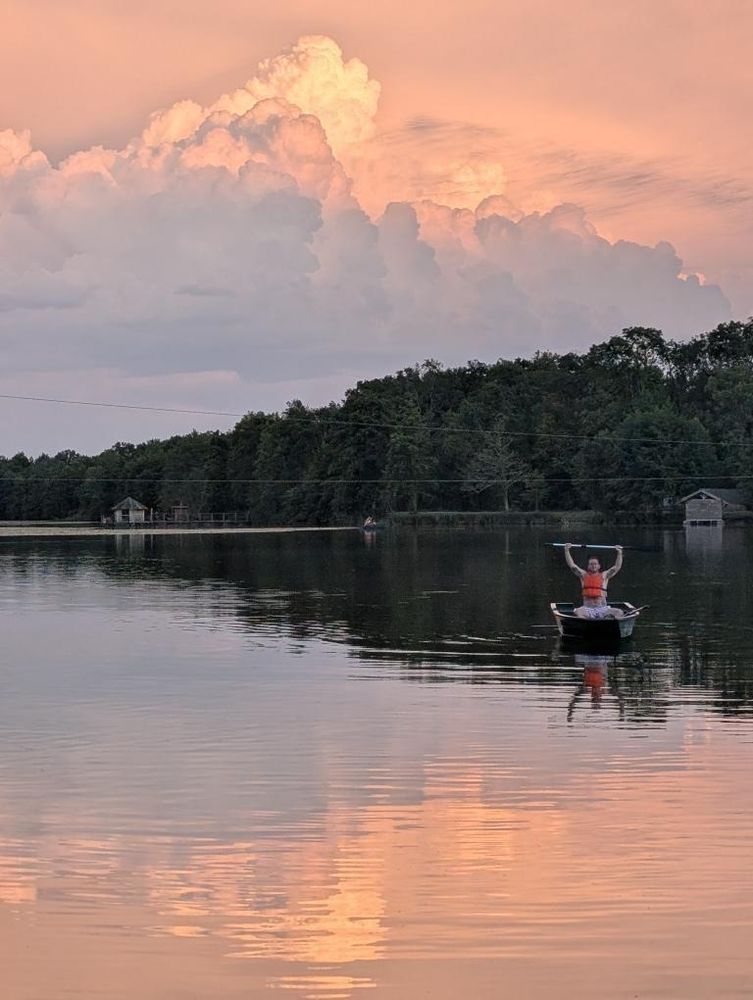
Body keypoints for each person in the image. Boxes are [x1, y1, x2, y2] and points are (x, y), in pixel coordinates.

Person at [563, 543, 624, 619]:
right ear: (588, 566)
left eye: (595, 564)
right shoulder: (583, 575)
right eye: (591, 564)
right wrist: (566, 550)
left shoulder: (605, 576)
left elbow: (616, 567)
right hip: (587, 609)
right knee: (578, 612)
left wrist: (619, 553)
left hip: (603, 609)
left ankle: (611, 623)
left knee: (619, 612)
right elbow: (572, 566)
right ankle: (586, 624)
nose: (593, 566)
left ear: (599, 566)